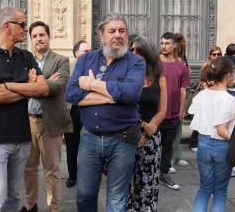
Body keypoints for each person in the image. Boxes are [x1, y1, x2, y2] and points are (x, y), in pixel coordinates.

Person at [65, 13, 146, 211]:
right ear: (101, 34)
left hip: (123, 139)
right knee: (84, 196)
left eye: (122, 31)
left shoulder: (136, 62)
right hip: (89, 138)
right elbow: (71, 94)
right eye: (112, 31)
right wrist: (113, 95)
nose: (118, 35)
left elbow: (132, 93)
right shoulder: (86, 60)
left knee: (117, 200)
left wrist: (91, 84)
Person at [0, 7, 48, 212]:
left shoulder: (26, 56)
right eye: (22, 24)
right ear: (7, 26)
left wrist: (7, 85)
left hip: (21, 136)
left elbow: (42, 88)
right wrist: (27, 88)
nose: (26, 29)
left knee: (13, 198)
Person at [20, 21, 72, 212]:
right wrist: (44, 83)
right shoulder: (24, 60)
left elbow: (58, 87)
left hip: (50, 122)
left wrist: (30, 85)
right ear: (31, 39)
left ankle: (54, 207)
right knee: (29, 168)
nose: (38, 39)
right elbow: (18, 87)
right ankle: (30, 203)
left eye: (42, 35)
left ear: (49, 37)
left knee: (52, 170)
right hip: (27, 121)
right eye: (34, 36)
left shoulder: (61, 60)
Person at [188, 57, 235, 212]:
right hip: (222, 145)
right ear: (228, 75)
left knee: (204, 188)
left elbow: (192, 112)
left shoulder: (202, 95)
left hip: (203, 144)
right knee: (220, 191)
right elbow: (224, 129)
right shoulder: (230, 99)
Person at [127, 36, 167, 212]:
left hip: (150, 139)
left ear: (149, 54)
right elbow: (122, 108)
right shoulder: (125, 76)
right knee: (123, 185)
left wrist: (145, 134)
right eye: (132, 50)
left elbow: (162, 111)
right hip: (126, 136)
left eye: (139, 50)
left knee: (147, 184)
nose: (134, 53)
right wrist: (143, 126)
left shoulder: (160, 79)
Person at [158, 32, 191, 190]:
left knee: (168, 147)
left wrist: (180, 113)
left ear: (175, 45)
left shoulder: (181, 67)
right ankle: (148, 174)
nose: (163, 46)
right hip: (156, 114)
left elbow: (183, 91)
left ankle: (164, 174)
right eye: (162, 43)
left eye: (167, 43)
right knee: (152, 146)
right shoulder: (155, 63)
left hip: (172, 115)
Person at [64, 40, 91, 189]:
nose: (89, 53)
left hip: (90, 110)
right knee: (72, 145)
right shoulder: (68, 68)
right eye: (86, 51)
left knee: (89, 145)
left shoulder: (96, 68)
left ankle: (87, 175)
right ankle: (72, 176)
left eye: (90, 51)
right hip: (73, 111)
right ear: (77, 54)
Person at [189, 46, 223, 153]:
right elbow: (202, 79)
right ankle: (193, 142)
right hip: (207, 93)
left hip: (217, 93)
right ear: (210, 55)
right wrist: (207, 89)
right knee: (202, 116)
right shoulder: (206, 65)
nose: (216, 56)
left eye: (218, 54)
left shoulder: (222, 65)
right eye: (214, 54)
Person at [170, 33, 190, 173]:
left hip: (179, 96)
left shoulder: (182, 59)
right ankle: (169, 159)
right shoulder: (173, 60)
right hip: (173, 97)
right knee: (173, 132)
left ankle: (177, 156)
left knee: (179, 130)